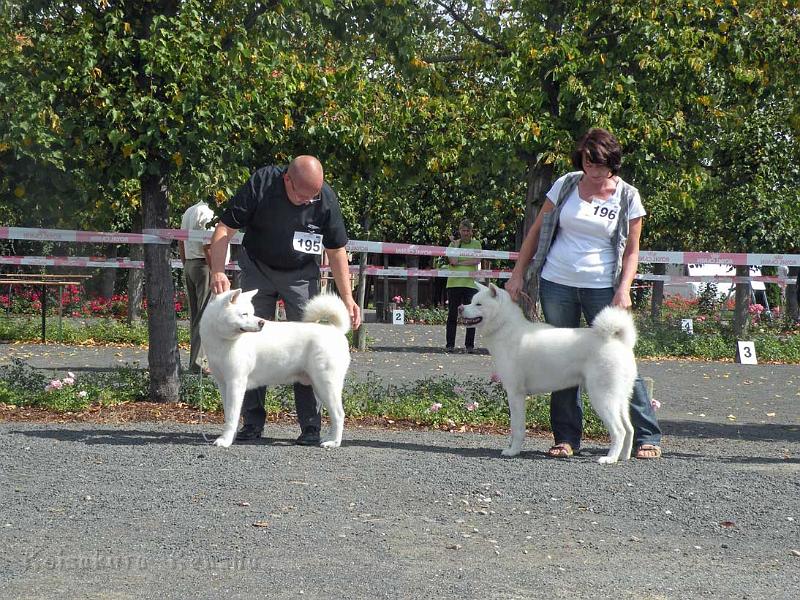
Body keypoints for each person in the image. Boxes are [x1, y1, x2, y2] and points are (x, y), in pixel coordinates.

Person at [505, 128, 662, 459]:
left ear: (613, 163)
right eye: (589, 162)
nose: (594, 170)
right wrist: (518, 273)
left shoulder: (627, 196)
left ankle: (647, 435)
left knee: (616, 358)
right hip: (556, 281)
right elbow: (535, 232)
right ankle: (566, 438)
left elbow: (632, 250)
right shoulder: (565, 185)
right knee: (560, 360)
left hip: (601, 285)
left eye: (601, 164)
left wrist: (624, 289)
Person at [208, 155, 361, 445]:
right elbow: (224, 229)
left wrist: (348, 298)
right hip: (258, 267)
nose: (308, 202)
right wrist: (217, 270)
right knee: (246, 345)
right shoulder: (262, 183)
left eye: (313, 197)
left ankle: (311, 426)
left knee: (308, 348)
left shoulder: (324, 197)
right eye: (302, 196)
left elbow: (337, 250)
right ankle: (251, 423)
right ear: (287, 179)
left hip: (301, 274)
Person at [178, 199, 225, 374]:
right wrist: (216, 272)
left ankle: (196, 362)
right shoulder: (208, 213)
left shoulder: (189, 211)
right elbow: (208, 246)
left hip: (190, 264)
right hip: (204, 266)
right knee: (206, 317)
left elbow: (181, 242)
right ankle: (200, 364)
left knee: (196, 317)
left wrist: (186, 264)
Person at [445, 219, 482, 353]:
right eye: (463, 230)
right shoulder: (452, 244)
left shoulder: (476, 243)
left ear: (471, 232)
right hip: (454, 283)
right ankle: (450, 345)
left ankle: (469, 345)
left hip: (470, 284)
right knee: (452, 315)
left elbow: (477, 260)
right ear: (460, 231)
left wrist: (460, 261)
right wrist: (456, 247)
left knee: (471, 315)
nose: (466, 233)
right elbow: (453, 261)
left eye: (468, 231)